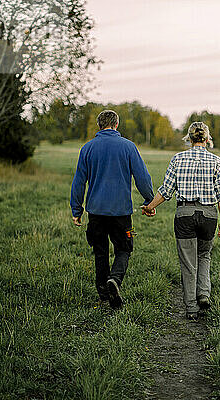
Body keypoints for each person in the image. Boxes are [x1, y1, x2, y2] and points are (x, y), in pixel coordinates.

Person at [142, 122, 220, 320]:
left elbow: (165, 191)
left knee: (188, 262)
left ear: (190, 139)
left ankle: (191, 308)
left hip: (184, 214)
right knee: (204, 255)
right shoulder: (217, 161)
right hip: (209, 215)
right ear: (207, 139)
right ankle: (204, 294)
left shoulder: (178, 158)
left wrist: (150, 206)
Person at [70, 110, 156, 309]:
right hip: (122, 214)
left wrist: (77, 210)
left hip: (95, 213)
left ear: (99, 125)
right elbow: (142, 177)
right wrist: (149, 201)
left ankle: (103, 295)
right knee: (125, 248)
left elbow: (79, 182)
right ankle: (115, 280)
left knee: (100, 252)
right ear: (116, 124)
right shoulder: (128, 146)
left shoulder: (87, 148)